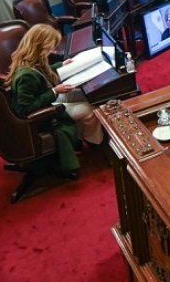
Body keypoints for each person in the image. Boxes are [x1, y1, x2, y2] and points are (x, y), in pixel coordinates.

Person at [6, 25, 105, 178]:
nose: (51, 51)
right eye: (48, 48)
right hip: (43, 114)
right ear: (38, 46)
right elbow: (24, 109)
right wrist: (54, 91)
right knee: (89, 110)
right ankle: (93, 141)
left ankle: (86, 136)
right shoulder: (25, 76)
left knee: (85, 95)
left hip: (48, 99)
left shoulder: (30, 60)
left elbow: (41, 72)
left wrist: (61, 65)